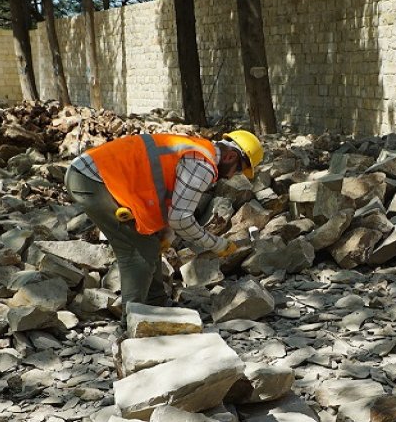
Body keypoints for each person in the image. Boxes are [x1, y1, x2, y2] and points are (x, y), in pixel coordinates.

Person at [65, 130, 264, 307]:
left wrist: (166, 236)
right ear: (230, 156)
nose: (232, 177)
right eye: (238, 170)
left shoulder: (198, 152)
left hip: (91, 174)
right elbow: (181, 219)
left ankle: (155, 304)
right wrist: (218, 244)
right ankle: (133, 320)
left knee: (149, 244)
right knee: (136, 251)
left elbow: (171, 203)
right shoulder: (203, 165)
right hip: (92, 179)